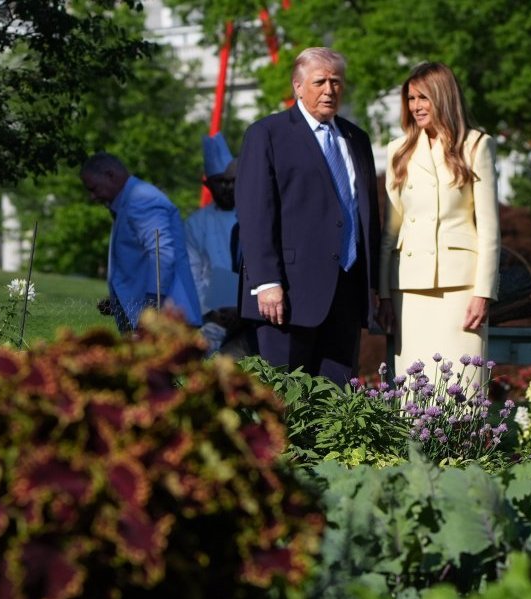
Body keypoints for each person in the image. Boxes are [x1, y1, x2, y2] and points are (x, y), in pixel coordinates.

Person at [234, 47, 381, 385]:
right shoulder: (267, 134)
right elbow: (256, 213)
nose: (330, 90)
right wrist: (267, 283)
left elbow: (367, 216)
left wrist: (373, 286)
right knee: (284, 401)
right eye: (320, 82)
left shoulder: (357, 139)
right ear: (298, 86)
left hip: (346, 291)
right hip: (287, 295)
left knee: (337, 404)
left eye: (337, 82)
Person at [376, 62, 500, 375]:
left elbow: (489, 229)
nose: (415, 106)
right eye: (411, 98)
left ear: (443, 97)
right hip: (409, 287)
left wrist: (483, 293)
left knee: (464, 390)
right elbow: (391, 230)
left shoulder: (476, 146)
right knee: (415, 399)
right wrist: (384, 294)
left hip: (461, 289)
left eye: (423, 98)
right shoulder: (397, 151)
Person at [80, 152, 202, 333]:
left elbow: (163, 254)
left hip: (166, 320)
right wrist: (118, 300)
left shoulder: (141, 199)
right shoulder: (131, 199)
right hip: (159, 318)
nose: (93, 197)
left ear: (110, 175)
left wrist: (151, 308)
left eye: (93, 188)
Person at [185, 133, 241, 354]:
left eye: (231, 181)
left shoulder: (255, 215)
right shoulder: (195, 223)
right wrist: (210, 312)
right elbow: (192, 273)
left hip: (251, 313)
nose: (227, 188)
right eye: (220, 182)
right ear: (207, 184)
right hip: (211, 316)